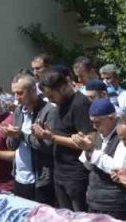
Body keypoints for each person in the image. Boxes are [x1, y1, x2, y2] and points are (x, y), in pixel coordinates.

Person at [35, 69, 90, 210]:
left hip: (75, 174)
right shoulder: (60, 105)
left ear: (63, 87)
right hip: (59, 171)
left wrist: (51, 137)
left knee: (79, 217)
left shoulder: (80, 104)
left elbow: (84, 143)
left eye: (52, 96)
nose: (51, 100)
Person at [3, 73, 57, 205]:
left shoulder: (49, 111)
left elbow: (48, 145)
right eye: (14, 93)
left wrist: (20, 135)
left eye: (20, 93)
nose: (16, 98)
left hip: (40, 180)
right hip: (20, 178)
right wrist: (10, 134)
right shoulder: (19, 111)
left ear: (33, 90)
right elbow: (12, 146)